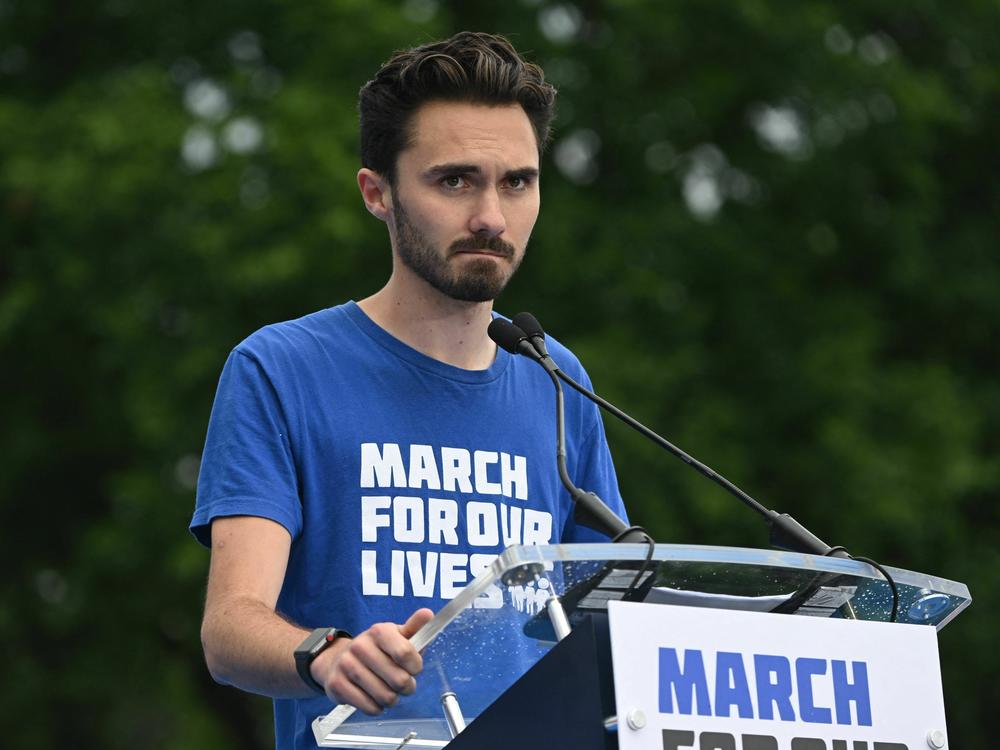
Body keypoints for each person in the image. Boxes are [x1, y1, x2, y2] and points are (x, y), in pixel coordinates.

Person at [190, 31, 627, 749]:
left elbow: (610, 624)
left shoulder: (558, 380)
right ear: (378, 193)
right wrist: (326, 655)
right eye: (455, 180)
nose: (492, 215)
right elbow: (230, 627)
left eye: (517, 181)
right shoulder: (281, 368)